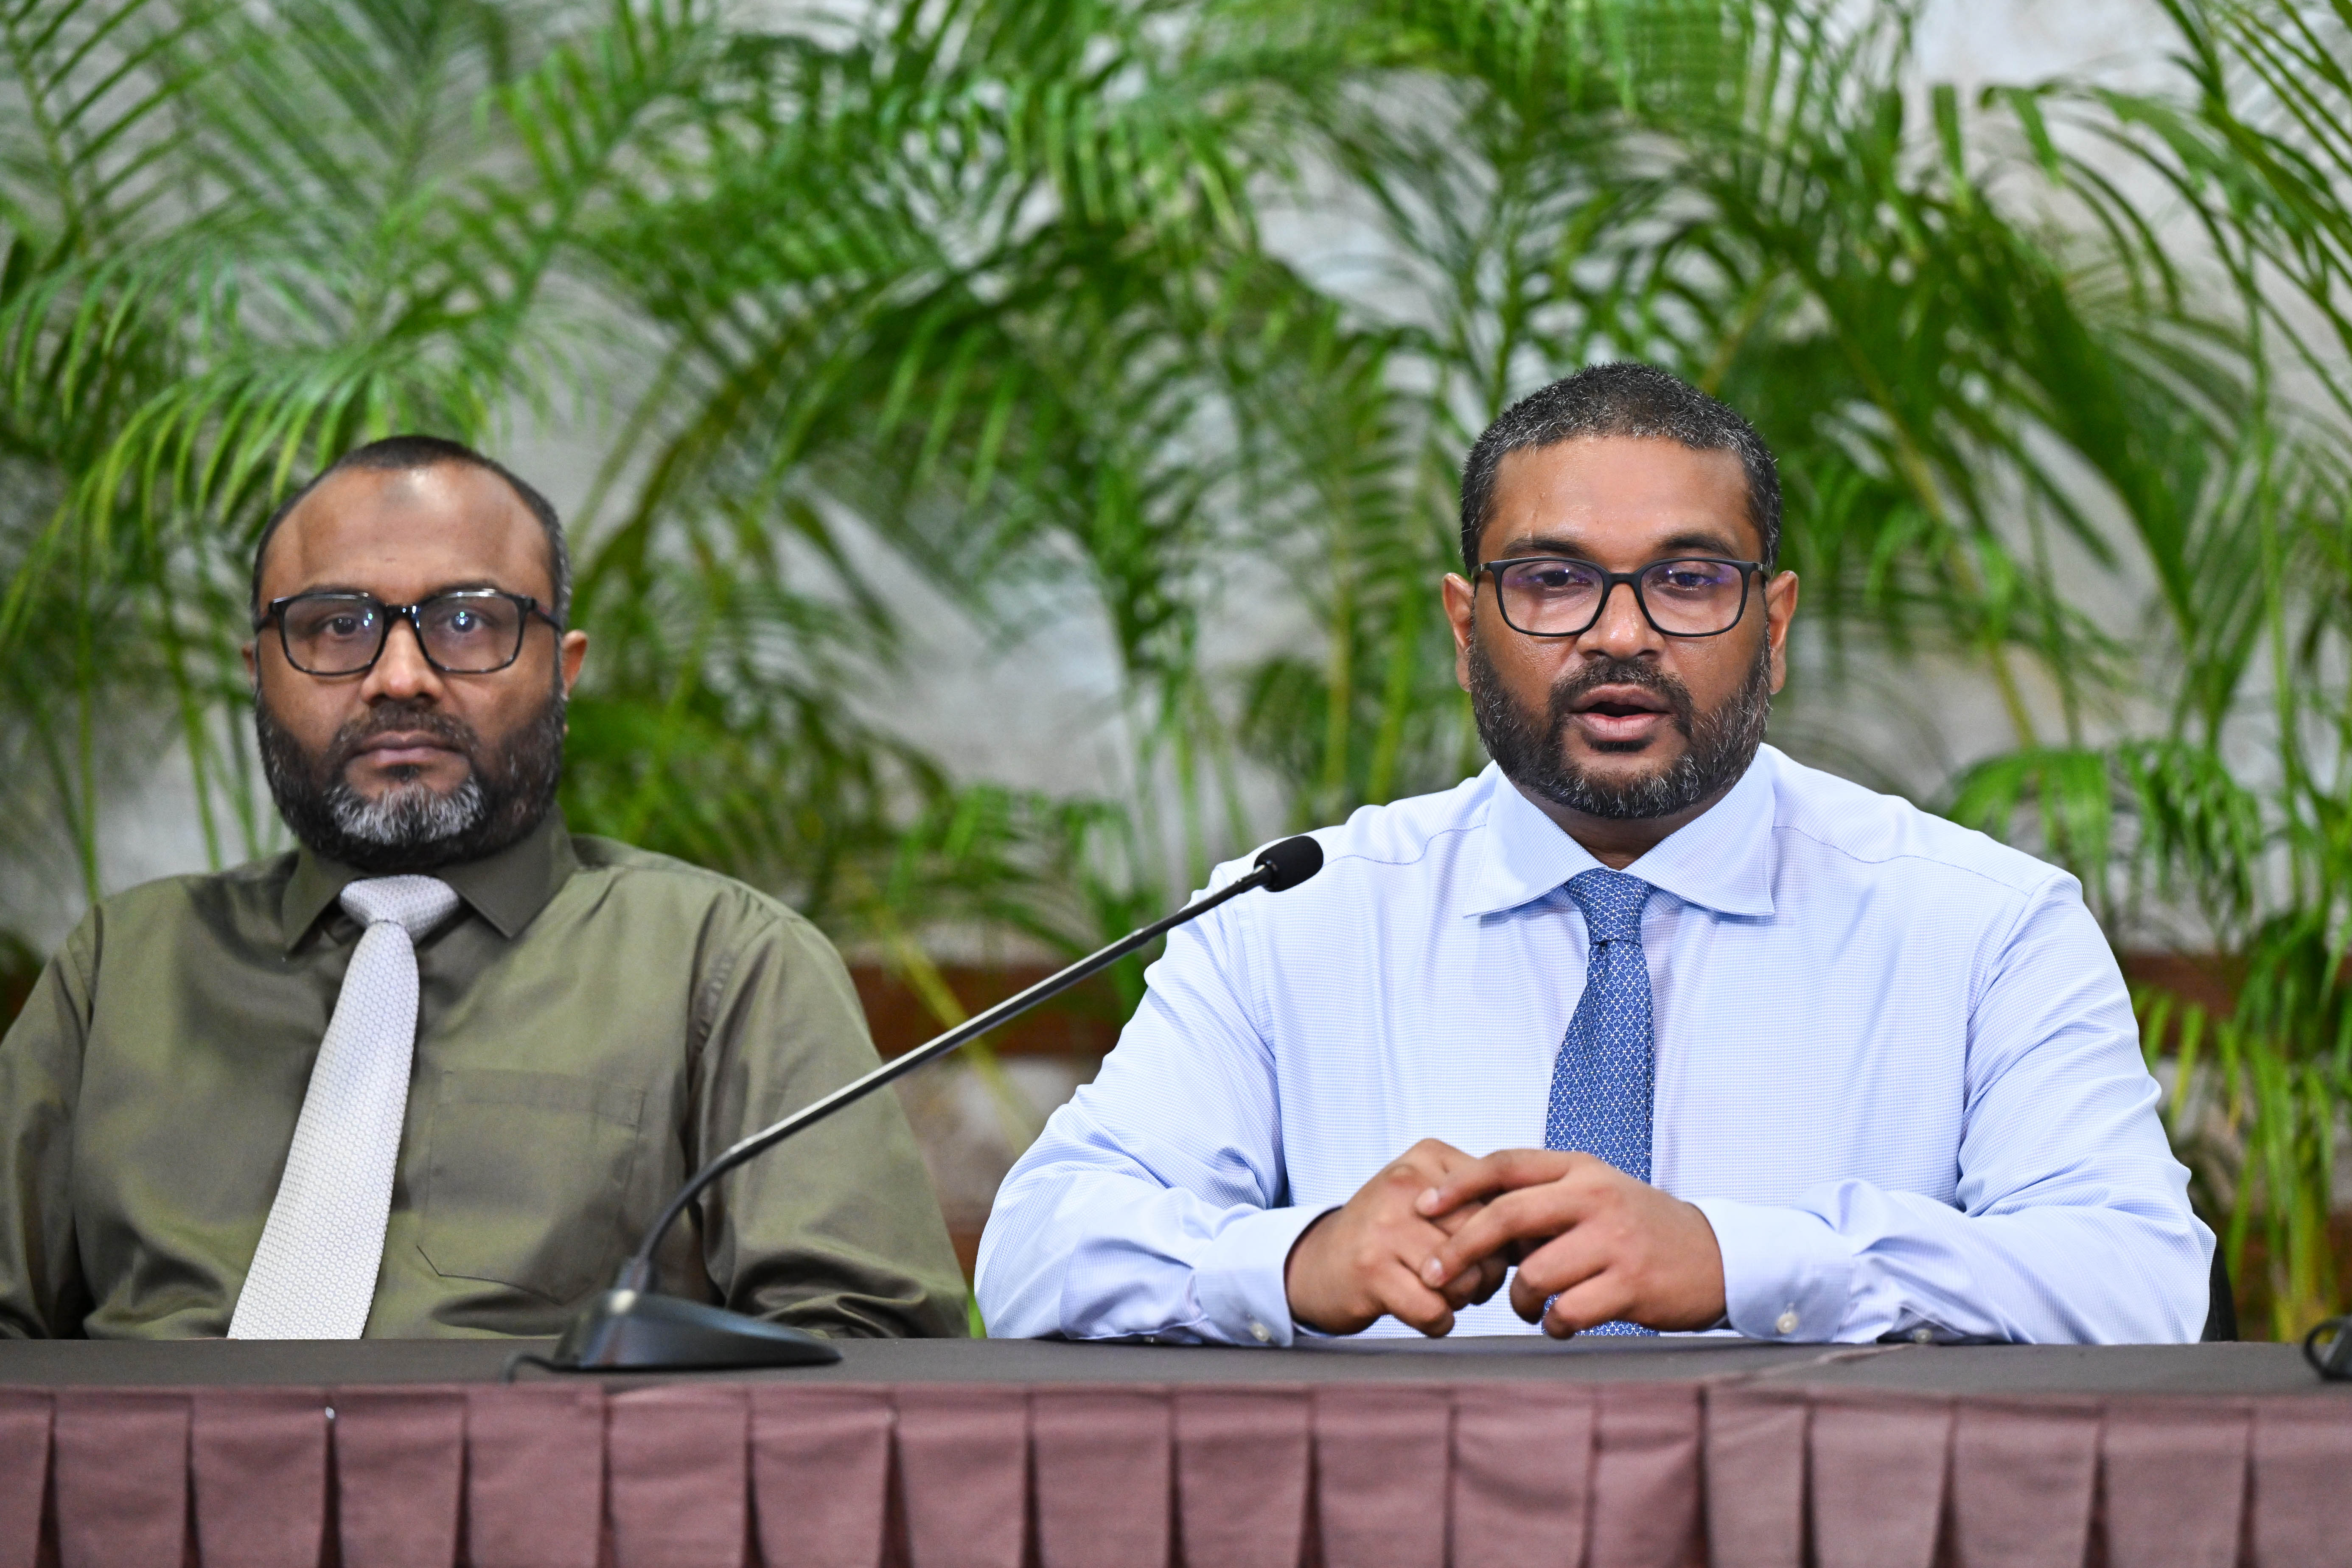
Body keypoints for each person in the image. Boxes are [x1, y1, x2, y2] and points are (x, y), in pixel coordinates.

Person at [978, 363, 2211, 1345]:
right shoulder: (1286, 917)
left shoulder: (1985, 927)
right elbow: (1038, 1248)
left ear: (1774, 625)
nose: (1621, 634)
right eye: (1555, 580)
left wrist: (1743, 1262)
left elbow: (2138, 1279)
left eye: (1689, 579)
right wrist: (1294, 1262)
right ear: (1466, 627)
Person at [0, 435, 966, 1340]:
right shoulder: (120, 972)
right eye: (337, 626)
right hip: (144, 1467)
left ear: (564, 669)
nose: (401, 677)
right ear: (261, 672)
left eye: (467, 622)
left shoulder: (728, 967)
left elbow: (864, 1357)